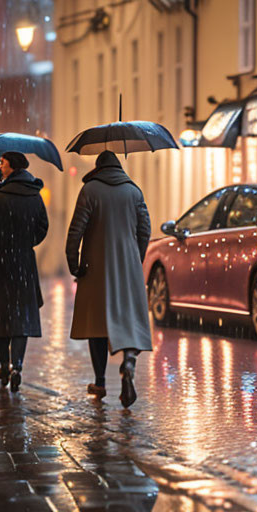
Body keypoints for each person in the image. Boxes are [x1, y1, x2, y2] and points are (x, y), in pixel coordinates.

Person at [65, 150, 152, 408]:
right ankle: (128, 362)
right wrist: (136, 258)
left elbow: (75, 231)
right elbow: (145, 229)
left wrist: (75, 263)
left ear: (98, 167)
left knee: (96, 325)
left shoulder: (90, 190)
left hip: (96, 267)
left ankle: (100, 381)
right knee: (131, 319)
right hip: (128, 266)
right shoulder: (134, 191)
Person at [0, 152, 49, 392]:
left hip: (1, 263)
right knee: (21, 318)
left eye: (2, 163)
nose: (0, 167)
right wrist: (27, 242)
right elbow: (42, 227)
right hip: (24, 264)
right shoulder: (35, 196)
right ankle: (17, 365)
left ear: (12, 167)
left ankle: (4, 366)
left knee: (1, 318)